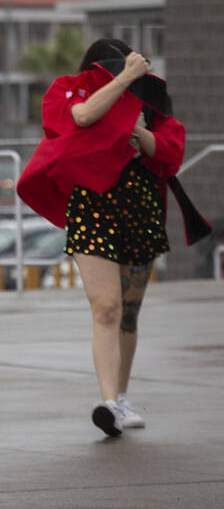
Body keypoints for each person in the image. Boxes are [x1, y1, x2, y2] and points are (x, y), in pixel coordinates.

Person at [17, 38, 205, 437]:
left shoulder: (151, 99)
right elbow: (80, 118)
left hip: (140, 209)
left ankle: (121, 397)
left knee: (129, 314)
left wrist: (134, 131)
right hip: (92, 208)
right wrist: (125, 80)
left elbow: (169, 152)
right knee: (106, 307)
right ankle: (107, 402)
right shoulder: (69, 88)